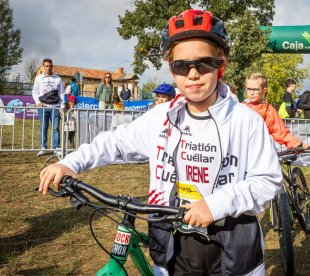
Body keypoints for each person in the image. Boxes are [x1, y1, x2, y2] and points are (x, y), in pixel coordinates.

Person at [38, 9, 282, 276]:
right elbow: (115, 143)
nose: (192, 74)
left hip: (232, 247)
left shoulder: (246, 120)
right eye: (181, 65)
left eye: (203, 63)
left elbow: (267, 181)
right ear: (171, 69)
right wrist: (70, 162)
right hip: (171, 244)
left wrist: (216, 204)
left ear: (220, 65)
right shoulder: (161, 117)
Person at [243, 73, 309, 149]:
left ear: (264, 91)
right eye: (249, 89)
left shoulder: (269, 110)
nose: (251, 93)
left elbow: (280, 131)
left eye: (256, 89)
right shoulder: (239, 108)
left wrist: (296, 144)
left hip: (258, 151)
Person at [32, 58, 65, 157]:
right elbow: (35, 91)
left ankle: (56, 148)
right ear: (43, 66)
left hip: (55, 107)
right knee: (43, 127)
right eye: (46, 66)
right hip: (43, 107)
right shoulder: (38, 78)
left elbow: (62, 94)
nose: (48, 68)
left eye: (50, 66)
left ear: (52, 66)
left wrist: (62, 106)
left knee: (55, 128)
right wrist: (38, 102)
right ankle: (43, 148)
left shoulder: (58, 79)